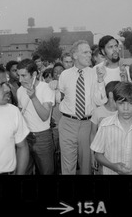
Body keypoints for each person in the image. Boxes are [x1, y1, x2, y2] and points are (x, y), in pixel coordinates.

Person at [58, 40, 107, 175]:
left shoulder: (95, 73)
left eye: (90, 52)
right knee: (68, 165)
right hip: (67, 123)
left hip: (87, 124)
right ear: (74, 55)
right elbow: (60, 96)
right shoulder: (64, 75)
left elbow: (100, 101)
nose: (89, 55)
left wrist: (100, 80)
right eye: (85, 52)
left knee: (86, 164)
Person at [90, 82, 132, 175]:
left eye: (130, 103)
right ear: (115, 103)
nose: (126, 108)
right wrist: (113, 166)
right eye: (121, 104)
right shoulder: (105, 124)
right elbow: (98, 154)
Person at [17, 58, 55, 175]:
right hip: (25, 137)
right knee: (24, 171)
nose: (20, 79)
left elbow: (44, 116)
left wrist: (33, 97)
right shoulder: (19, 90)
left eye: (24, 76)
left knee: (46, 171)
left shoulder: (46, 88)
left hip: (42, 138)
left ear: (34, 74)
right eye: (18, 76)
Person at [90, 80, 120, 174]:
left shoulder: (123, 112)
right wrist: (92, 155)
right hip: (101, 155)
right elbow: (93, 134)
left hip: (118, 154)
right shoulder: (98, 112)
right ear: (111, 95)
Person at [49, 62, 65, 175]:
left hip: (66, 125)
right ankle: (55, 170)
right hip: (54, 124)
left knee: (65, 151)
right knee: (54, 150)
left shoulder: (68, 85)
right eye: (55, 72)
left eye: (61, 71)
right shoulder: (48, 87)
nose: (58, 73)